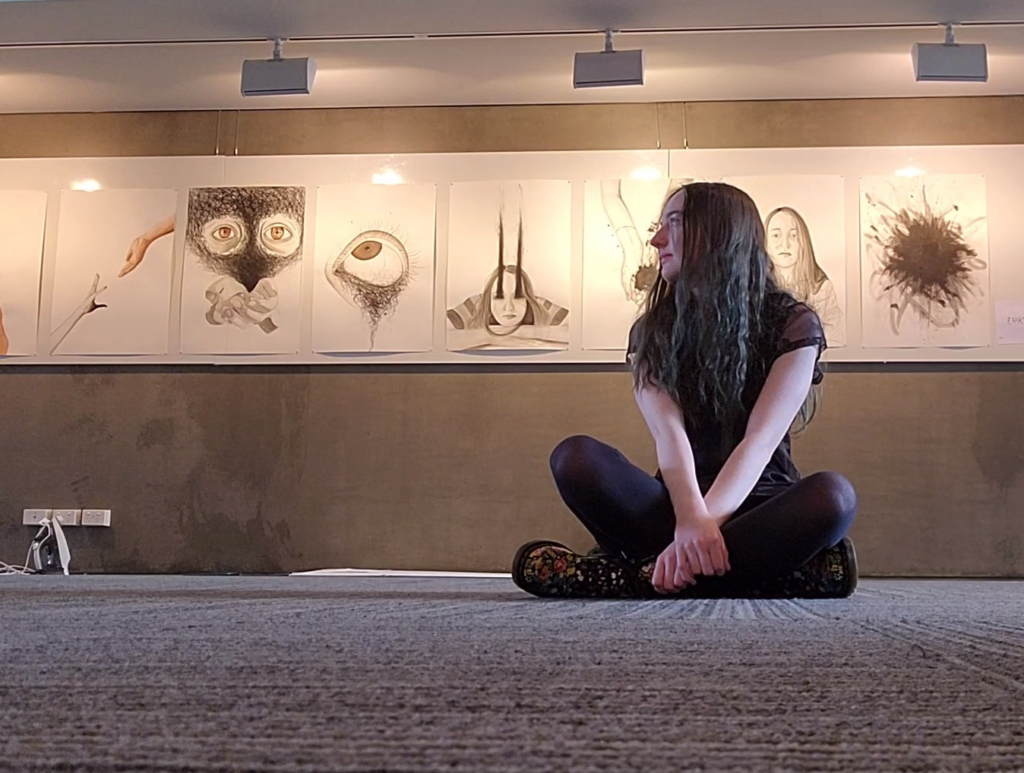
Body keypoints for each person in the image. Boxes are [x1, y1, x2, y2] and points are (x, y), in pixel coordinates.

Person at [511, 182, 858, 599]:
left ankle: (632, 576)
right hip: (676, 504)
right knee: (575, 458)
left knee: (834, 497)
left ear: (718, 232)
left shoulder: (793, 323)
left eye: (673, 224)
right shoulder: (650, 331)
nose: (656, 240)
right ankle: (776, 573)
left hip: (758, 506)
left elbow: (760, 440)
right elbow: (668, 435)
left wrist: (699, 527)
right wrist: (691, 521)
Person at [764, 206, 842, 342]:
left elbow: (835, 338)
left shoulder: (821, 288)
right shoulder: (758, 287)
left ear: (803, 242)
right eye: (776, 236)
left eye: (793, 236)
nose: (785, 244)